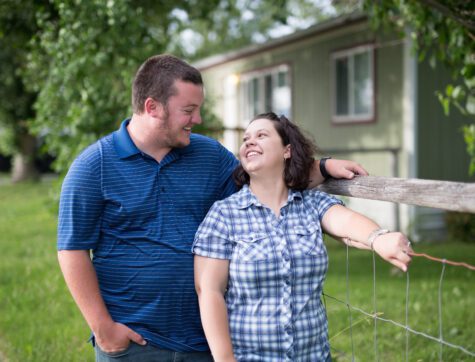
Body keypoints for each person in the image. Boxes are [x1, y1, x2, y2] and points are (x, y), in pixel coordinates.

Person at [57, 55, 368, 361]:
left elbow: (268, 178)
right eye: (188, 110)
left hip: (204, 341)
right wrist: (103, 328)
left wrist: (323, 167)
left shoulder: (208, 155)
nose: (198, 120)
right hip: (136, 344)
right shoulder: (93, 166)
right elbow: (72, 250)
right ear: (152, 107)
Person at [193, 112, 413, 362]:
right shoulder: (224, 214)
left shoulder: (312, 204)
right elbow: (209, 290)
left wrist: (379, 238)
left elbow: (345, 221)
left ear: (287, 151)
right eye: (246, 139)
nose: (249, 142)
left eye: (261, 135)